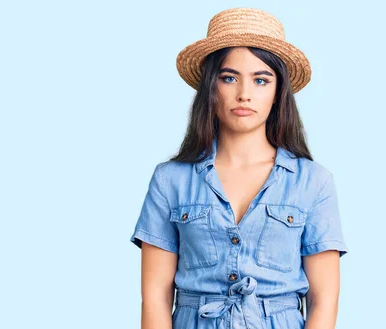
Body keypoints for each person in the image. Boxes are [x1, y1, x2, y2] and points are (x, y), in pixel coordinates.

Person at [129, 7, 349, 329]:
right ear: (210, 88)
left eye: (261, 80)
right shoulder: (170, 180)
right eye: (229, 78)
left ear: (277, 94)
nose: (244, 94)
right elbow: (155, 298)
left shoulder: (313, 182)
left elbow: (324, 300)